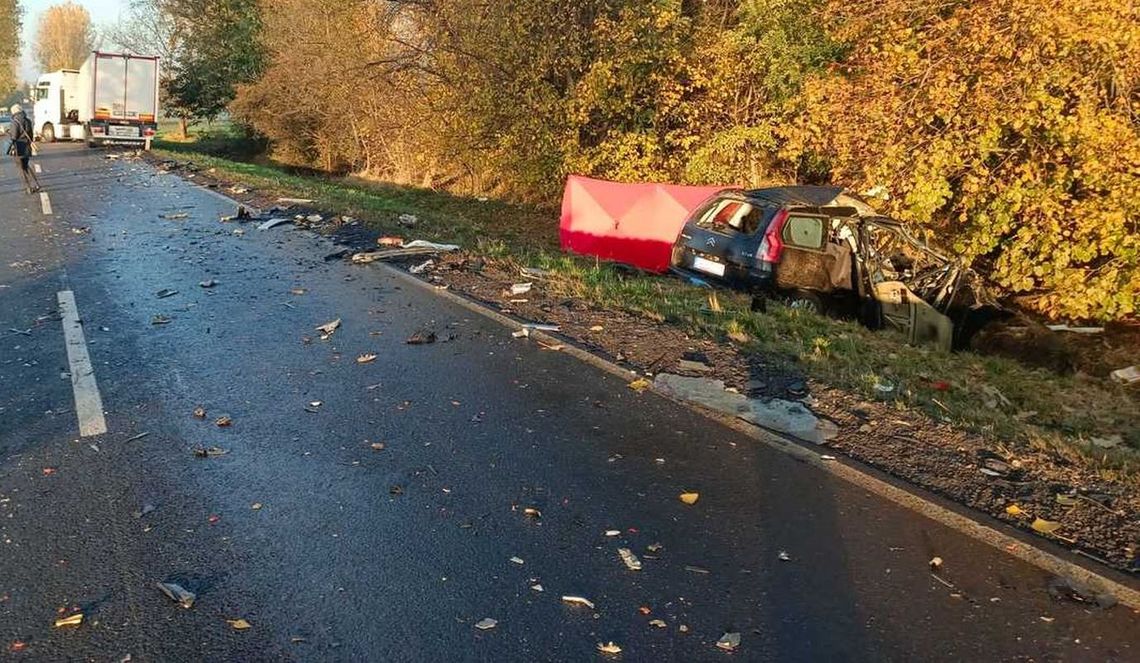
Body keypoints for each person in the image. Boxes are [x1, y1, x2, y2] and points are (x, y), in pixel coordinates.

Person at [7, 104, 42, 194]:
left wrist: (10, 134)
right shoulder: (28, 120)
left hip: (18, 146)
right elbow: (30, 134)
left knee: (21, 168)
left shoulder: (15, 121)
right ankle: (36, 184)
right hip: (26, 145)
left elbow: (14, 136)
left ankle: (28, 187)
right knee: (26, 166)